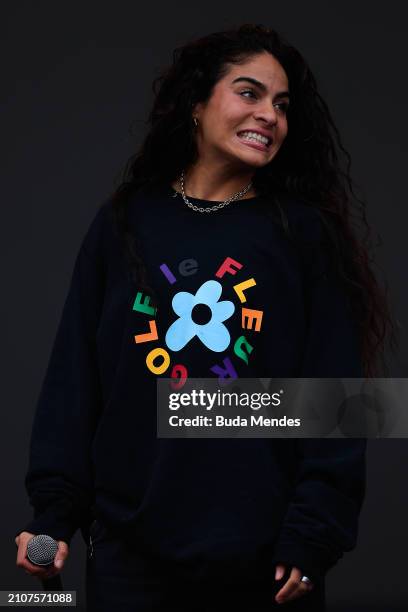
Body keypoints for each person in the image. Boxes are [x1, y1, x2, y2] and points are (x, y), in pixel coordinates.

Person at [15, 23, 395, 611]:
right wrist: (54, 516)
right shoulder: (124, 221)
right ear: (196, 104)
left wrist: (314, 529)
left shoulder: (301, 233)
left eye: (282, 105)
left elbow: (339, 395)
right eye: (249, 93)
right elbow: (75, 381)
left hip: (265, 563)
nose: (269, 114)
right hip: (129, 557)